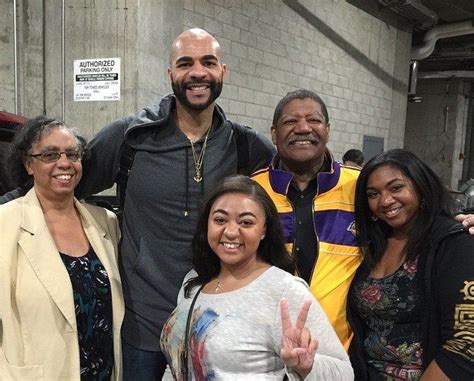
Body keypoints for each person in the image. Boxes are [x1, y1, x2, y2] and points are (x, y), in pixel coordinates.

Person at [75, 28, 275, 379]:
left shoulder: (245, 146)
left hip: (218, 322)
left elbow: (293, 190)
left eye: (208, 62)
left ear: (222, 72)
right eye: (185, 63)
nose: (197, 72)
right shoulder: (130, 138)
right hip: (144, 324)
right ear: (171, 74)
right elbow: (62, 187)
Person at [160, 175, 354, 380]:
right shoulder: (194, 281)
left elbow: (343, 373)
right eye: (220, 219)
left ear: (264, 230)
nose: (231, 231)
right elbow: (175, 364)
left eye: (246, 222)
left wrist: (306, 366)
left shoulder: (284, 290)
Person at [0, 116, 124, 380]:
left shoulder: (105, 222)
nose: (64, 163)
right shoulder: (5, 223)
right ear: (28, 164)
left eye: (72, 154)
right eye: (50, 155)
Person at [348, 149, 474, 380]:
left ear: (421, 188)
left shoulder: (453, 243)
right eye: (373, 194)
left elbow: (466, 341)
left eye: (396, 188)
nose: (385, 200)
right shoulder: (373, 245)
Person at [252, 89, 362, 350]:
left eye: (314, 120)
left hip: (342, 354)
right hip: (268, 352)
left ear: (328, 129)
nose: (303, 128)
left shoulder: (360, 188)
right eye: (290, 121)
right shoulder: (251, 192)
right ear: (274, 133)